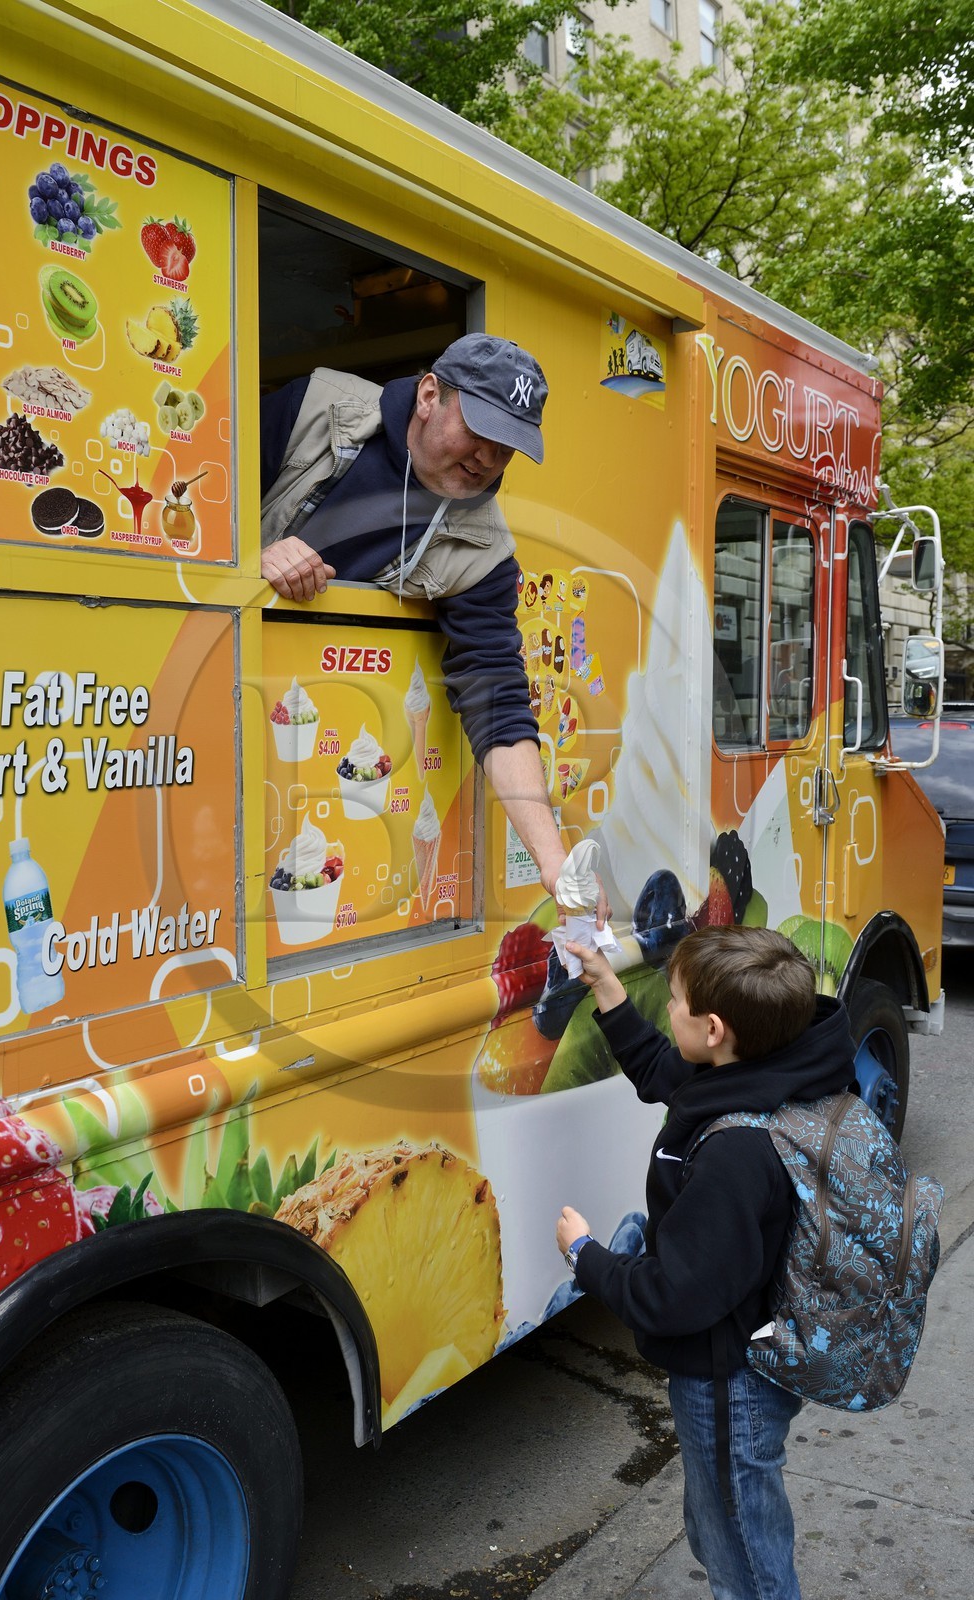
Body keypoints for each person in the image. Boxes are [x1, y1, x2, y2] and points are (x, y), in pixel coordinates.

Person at [555, 924, 858, 1600]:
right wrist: (609, 992)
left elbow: (674, 1296)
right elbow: (677, 1076)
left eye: (675, 999)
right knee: (719, 1518)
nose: (668, 1007)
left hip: (729, 1377)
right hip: (762, 1344)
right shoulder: (783, 1070)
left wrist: (587, 1256)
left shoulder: (735, 1156)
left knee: (741, 1556)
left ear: (715, 1029)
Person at [260, 331, 606, 922]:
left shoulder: (486, 553)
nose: (488, 461)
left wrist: (554, 862)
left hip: (323, 759)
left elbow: (496, 694)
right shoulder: (313, 410)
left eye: (508, 449)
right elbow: (195, 495)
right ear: (429, 396)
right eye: (480, 432)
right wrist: (248, 557)